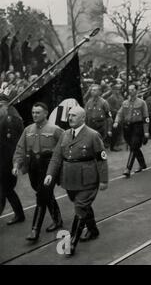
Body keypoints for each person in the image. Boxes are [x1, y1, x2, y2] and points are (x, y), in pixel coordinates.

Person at [44, 106, 108, 257]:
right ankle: (92, 230)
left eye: (73, 115)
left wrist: (104, 180)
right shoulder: (65, 134)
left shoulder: (93, 135)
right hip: (69, 179)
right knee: (81, 205)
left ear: (83, 118)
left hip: (88, 180)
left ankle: (71, 243)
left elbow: (101, 159)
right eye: (69, 115)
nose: (70, 118)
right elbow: (57, 157)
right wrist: (50, 174)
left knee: (80, 207)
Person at [13, 102, 64, 241]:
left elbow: (65, 148)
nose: (35, 115)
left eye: (38, 112)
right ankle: (58, 220)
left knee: (41, 196)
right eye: (33, 112)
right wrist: (17, 164)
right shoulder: (28, 130)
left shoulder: (55, 130)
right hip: (34, 167)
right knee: (43, 193)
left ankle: (35, 230)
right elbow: (20, 148)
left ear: (46, 113)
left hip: (49, 167)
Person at [114, 84, 150, 177]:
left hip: (137, 126)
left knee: (134, 145)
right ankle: (142, 164)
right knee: (134, 147)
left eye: (133, 89)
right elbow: (120, 113)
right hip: (127, 127)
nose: (131, 91)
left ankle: (128, 169)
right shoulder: (125, 103)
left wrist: (146, 131)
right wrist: (116, 121)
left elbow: (146, 117)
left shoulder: (142, 103)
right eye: (129, 90)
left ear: (136, 91)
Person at [0, 94, 25, 225]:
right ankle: (19, 214)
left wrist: (15, 163)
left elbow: (14, 144)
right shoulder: (3, 117)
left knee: (6, 189)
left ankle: (19, 215)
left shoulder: (11, 119)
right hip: (2, 159)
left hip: (7, 160)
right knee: (6, 189)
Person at [106, 84, 124, 151]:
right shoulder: (111, 98)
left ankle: (117, 144)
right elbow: (109, 107)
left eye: (118, 89)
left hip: (120, 115)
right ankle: (113, 146)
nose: (118, 91)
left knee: (119, 130)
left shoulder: (120, 97)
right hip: (114, 115)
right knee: (114, 131)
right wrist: (116, 111)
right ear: (113, 90)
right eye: (116, 89)